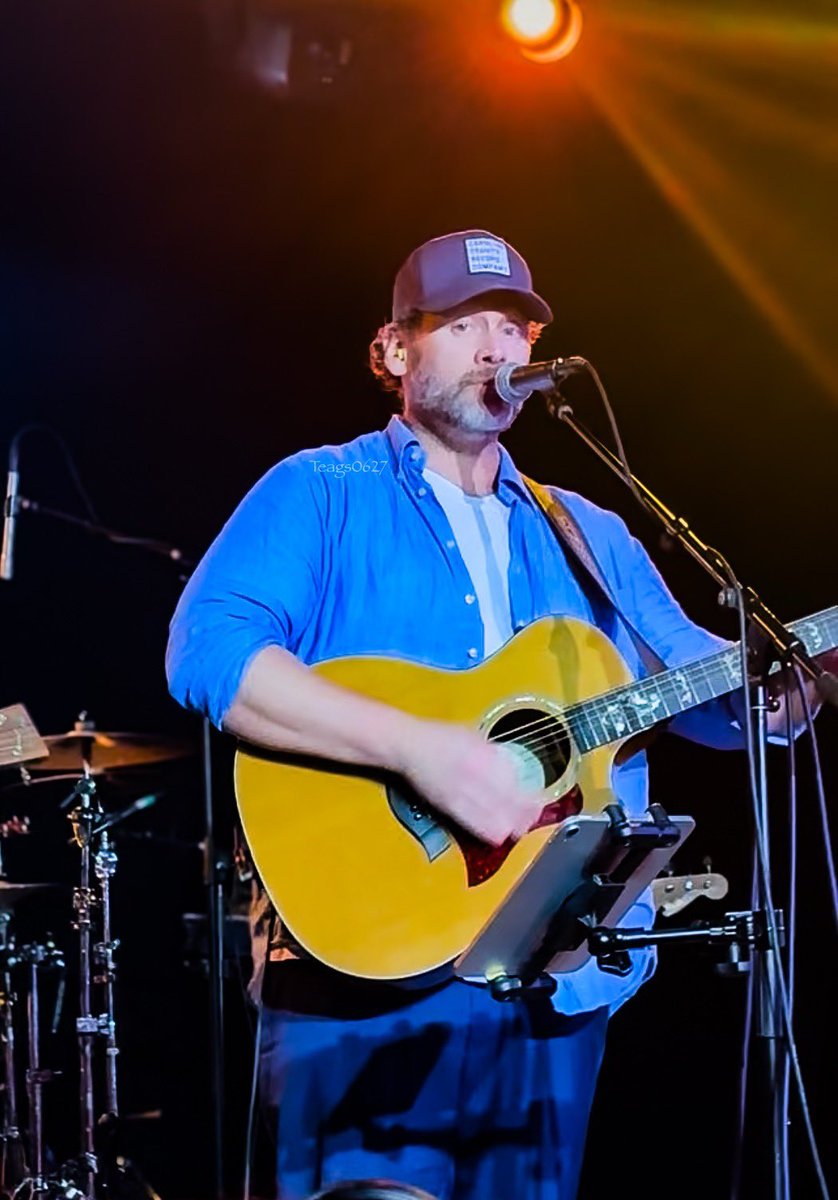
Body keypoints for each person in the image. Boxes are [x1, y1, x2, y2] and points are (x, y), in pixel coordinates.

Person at [165, 229, 815, 1200]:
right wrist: (422, 751)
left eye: (513, 327)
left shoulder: (588, 529)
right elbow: (206, 651)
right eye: (462, 324)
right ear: (393, 351)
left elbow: (703, 696)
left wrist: (780, 697)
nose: (495, 349)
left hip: (554, 982)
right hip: (365, 980)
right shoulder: (320, 491)